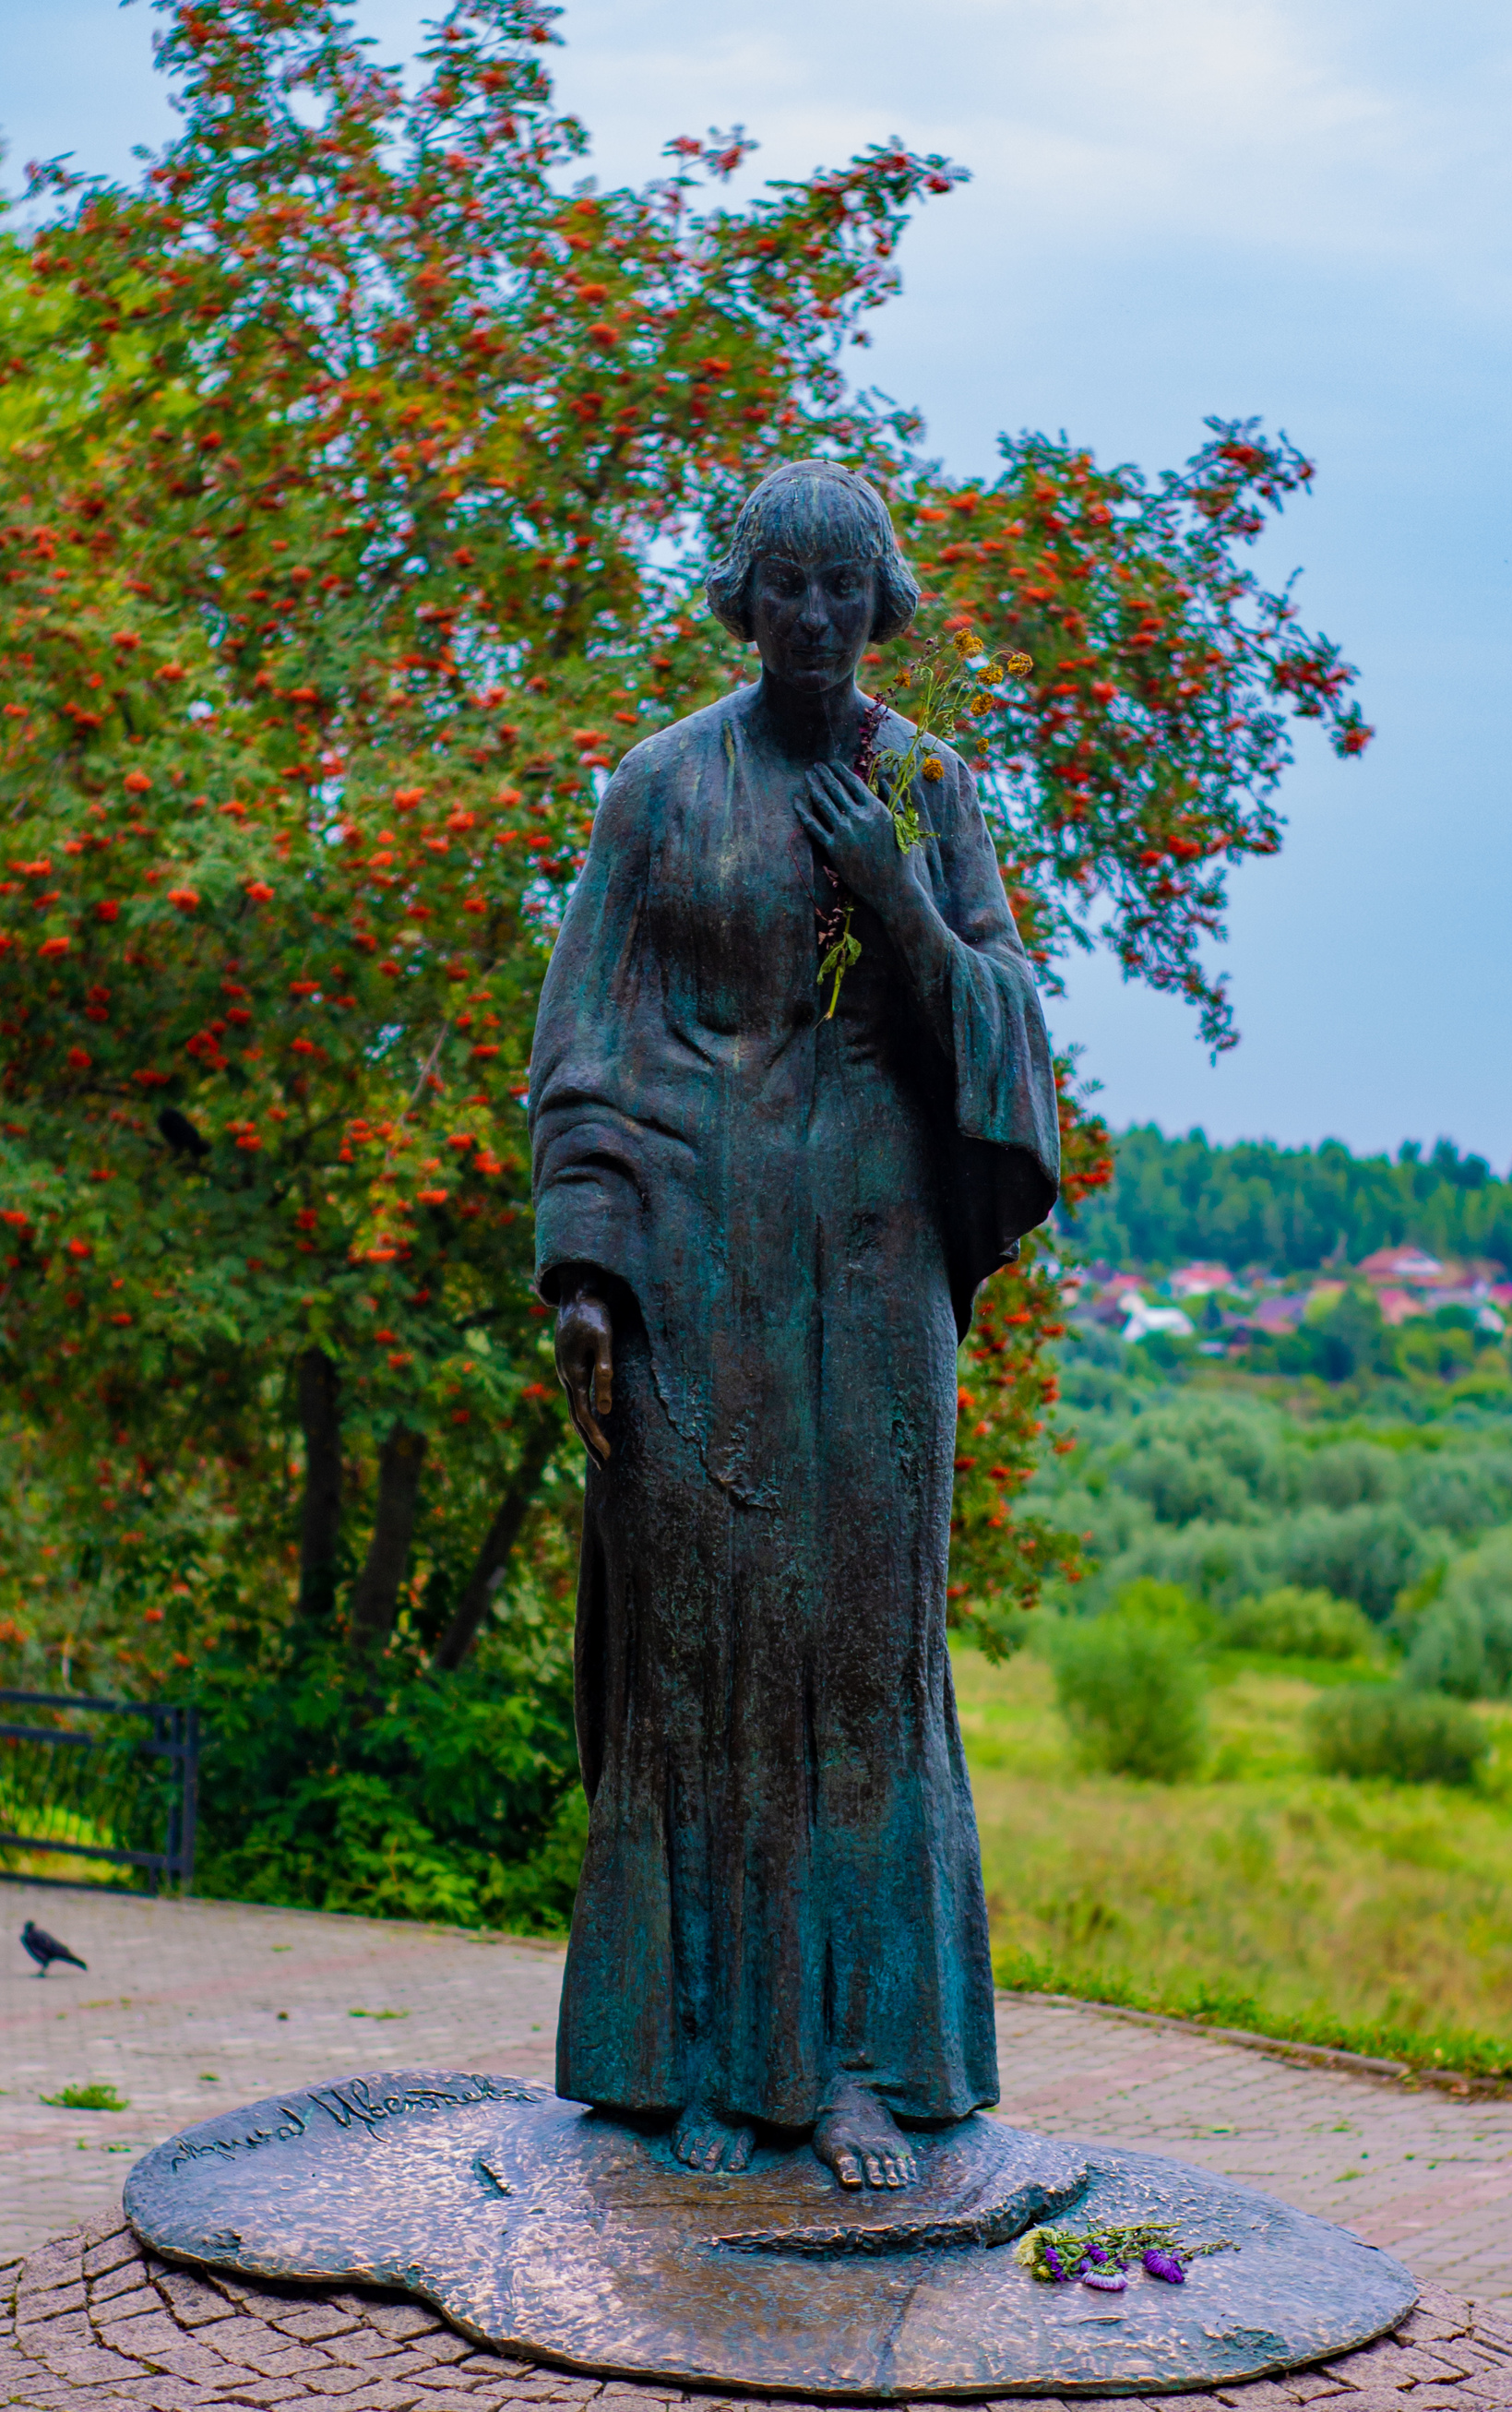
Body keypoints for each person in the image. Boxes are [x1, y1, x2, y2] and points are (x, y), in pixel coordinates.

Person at [528, 459, 1058, 2189]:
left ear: (881, 598)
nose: (818, 619)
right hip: (693, 1287)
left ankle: (851, 2068)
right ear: (745, 597)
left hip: (875, 1291)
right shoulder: (659, 787)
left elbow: (1009, 1038)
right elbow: (585, 1048)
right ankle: (682, 2055)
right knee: (699, 1663)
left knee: (858, 1665)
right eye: (788, 585)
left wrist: (896, 902)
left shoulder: (928, 791)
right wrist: (586, 1276)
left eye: (848, 588)